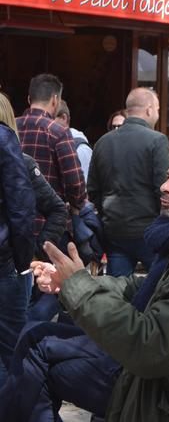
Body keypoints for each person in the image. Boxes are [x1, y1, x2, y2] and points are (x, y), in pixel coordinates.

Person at [0, 137, 169, 422]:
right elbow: (144, 288)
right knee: (36, 338)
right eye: (168, 176)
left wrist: (78, 289)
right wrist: (75, 281)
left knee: (35, 358)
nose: (164, 186)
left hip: (162, 395)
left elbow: (151, 348)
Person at [16, 73, 87, 320]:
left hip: (15, 230)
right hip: (50, 229)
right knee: (48, 291)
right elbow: (76, 184)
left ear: (28, 98)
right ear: (55, 101)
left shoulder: (11, 129)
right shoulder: (58, 132)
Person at [88, 88, 169, 276]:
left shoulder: (103, 142)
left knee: (117, 292)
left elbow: (92, 189)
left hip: (114, 230)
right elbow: (164, 189)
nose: (158, 113)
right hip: (150, 230)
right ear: (149, 109)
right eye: (157, 108)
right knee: (162, 286)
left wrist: (107, 213)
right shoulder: (157, 141)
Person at [0, 93, 67, 262]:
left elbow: (57, 209)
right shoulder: (56, 133)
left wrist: (35, 253)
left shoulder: (23, 164)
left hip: (11, 266)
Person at [0, 118, 35, 388]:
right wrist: (23, 263)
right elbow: (20, 206)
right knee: (12, 353)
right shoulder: (3, 138)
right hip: (4, 264)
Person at [55, 99, 92, 182]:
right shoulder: (51, 143)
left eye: (50, 117)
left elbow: (86, 186)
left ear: (63, 118)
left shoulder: (81, 149)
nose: (45, 122)